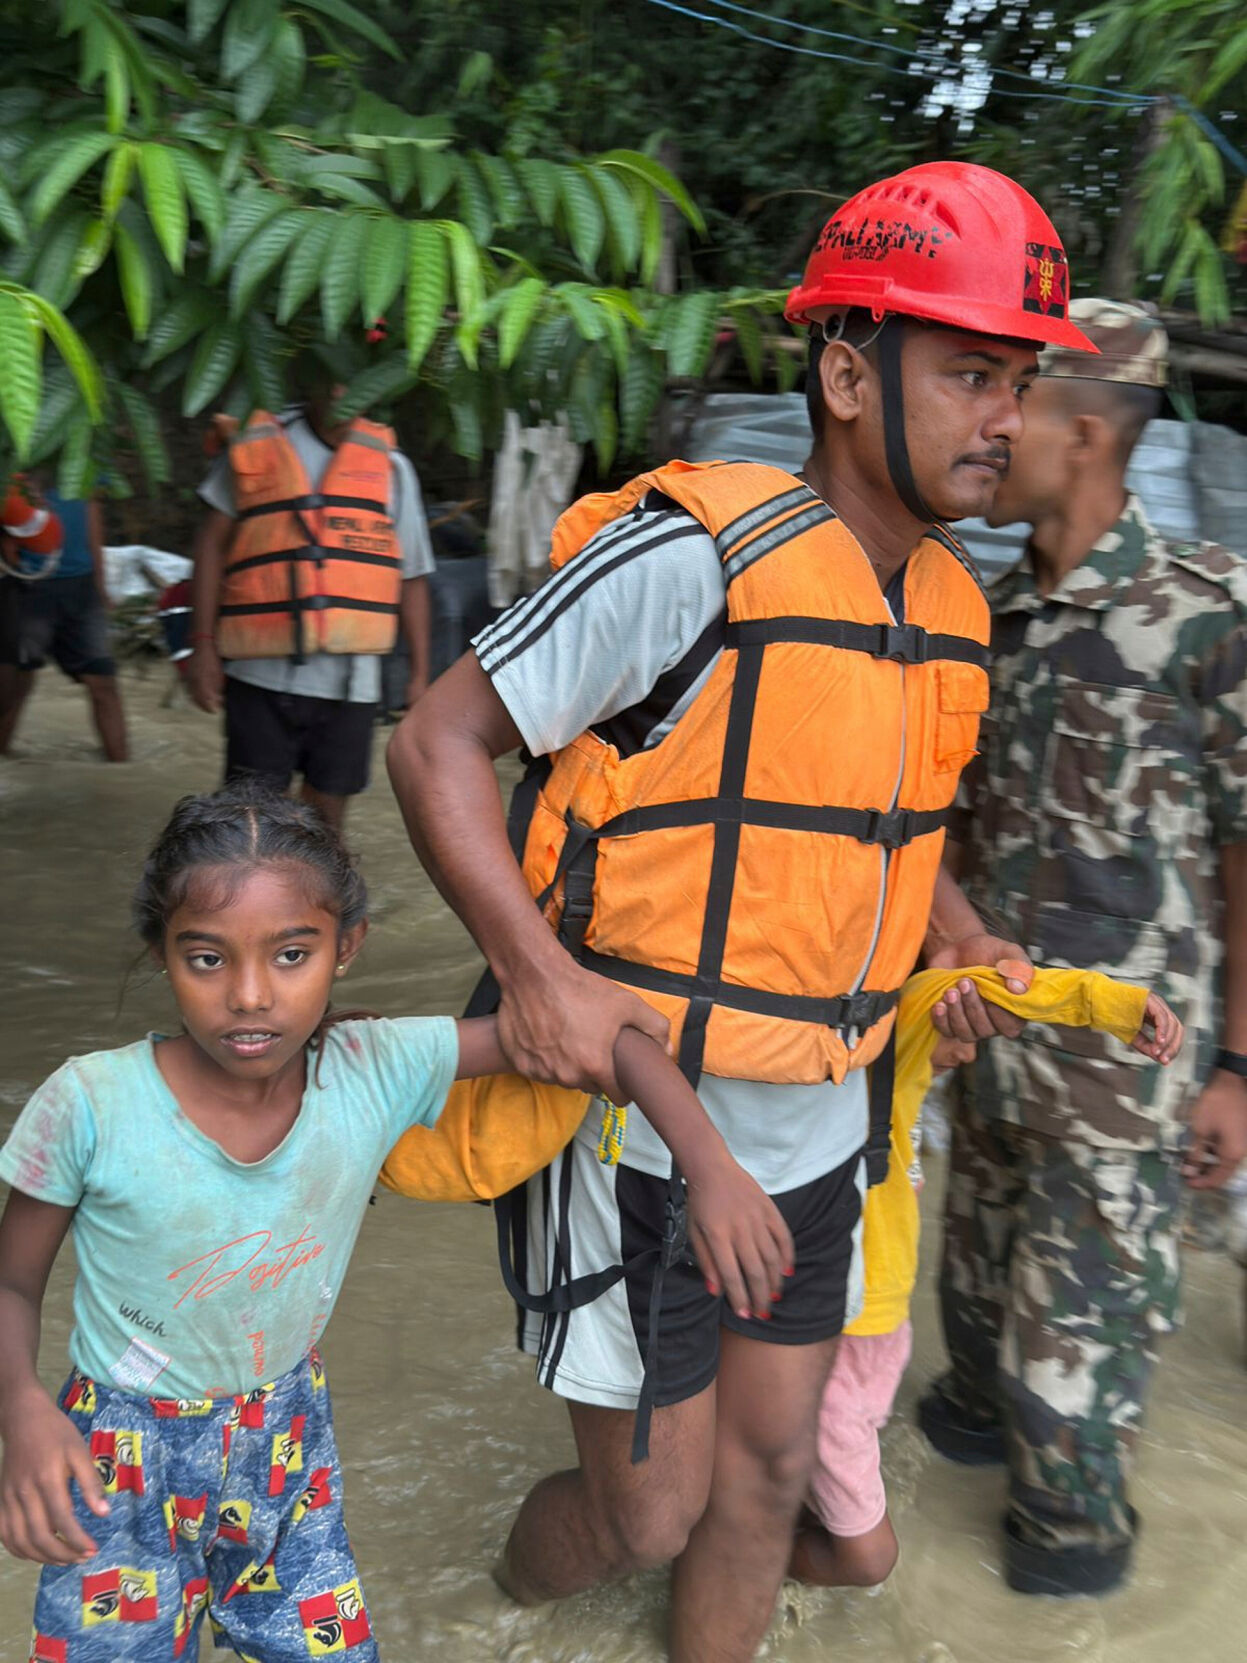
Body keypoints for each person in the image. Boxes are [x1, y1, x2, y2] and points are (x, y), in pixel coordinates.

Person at [386, 161, 1096, 1663]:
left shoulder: (952, 612)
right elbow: (432, 740)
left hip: (812, 1127)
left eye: (1018, 381)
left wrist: (955, 936)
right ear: (846, 374)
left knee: (765, 1483)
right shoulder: (689, 556)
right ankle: (477, 1616)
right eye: (968, 372)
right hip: (628, 1118)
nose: (1003, 418)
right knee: (646, 1512)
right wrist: (534, 973)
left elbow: (866, 833)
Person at [0, 780, 787, 1659]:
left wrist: (710, 1165)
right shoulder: (90, 1104)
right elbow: (11, 1282)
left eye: (291, 955)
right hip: (116, 1457)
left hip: (285, 1445)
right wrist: (22, 1411)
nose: (251, 995)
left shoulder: (374, 1066)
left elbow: (604, 1041)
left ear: (348, 949)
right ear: (161, 955)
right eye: (207, 958)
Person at [921, 299, 1247, 1597]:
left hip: (1123, 1091)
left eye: (1019, 405)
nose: (991, 432)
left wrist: (1236, 1066)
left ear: (1090, 430)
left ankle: (1069, 1572)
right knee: (964, 1375)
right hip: (991, 1067)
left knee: (1060, 1467)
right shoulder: (982, 614)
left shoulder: (1202, 615)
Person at [791, 962, 1182, 1590]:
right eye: (967, 1029)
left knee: (810, 1488)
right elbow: (1002, 986)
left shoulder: (905, 1074)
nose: (970, 1048)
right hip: (830, 1337)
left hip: (880, 1331)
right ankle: (743, 1559)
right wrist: (1116, 1006)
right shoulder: (890, 1026)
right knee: (866, 1555)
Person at [188, 353, 434, 830]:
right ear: (310, 380)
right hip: (260, 674)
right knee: (248, 825)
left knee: (325, 824)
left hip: (351, 683)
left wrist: (420, 676)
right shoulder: (259, 444)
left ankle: (321, 906)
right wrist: (202, 646)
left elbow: (413, 577)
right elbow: (210, 545)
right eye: (331, 382)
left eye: (354, 383)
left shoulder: (392, 469)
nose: (341, 394)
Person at [0, 481, 128, 762]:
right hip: (27, 586)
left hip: (81, 588)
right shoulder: (16, 457)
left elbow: (91, 514)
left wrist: (100, 583)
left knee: (103, 683)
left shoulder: (81, 459)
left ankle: (124, 773)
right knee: (15, 685)